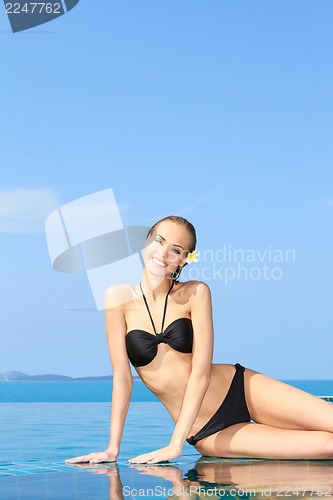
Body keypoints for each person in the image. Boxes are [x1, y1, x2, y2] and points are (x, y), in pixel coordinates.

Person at [65, 215, 333, 465]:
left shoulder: (196, 292)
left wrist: (174, 445)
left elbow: (201, 374)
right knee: (327, 445)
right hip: (206, 430)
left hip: (238, 387)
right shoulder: (117, 297)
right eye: (159, 241)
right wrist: (113, 449)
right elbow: (122, 377)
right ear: (146, 242)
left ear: (184, 260)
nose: (164, 253)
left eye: (176, 249)